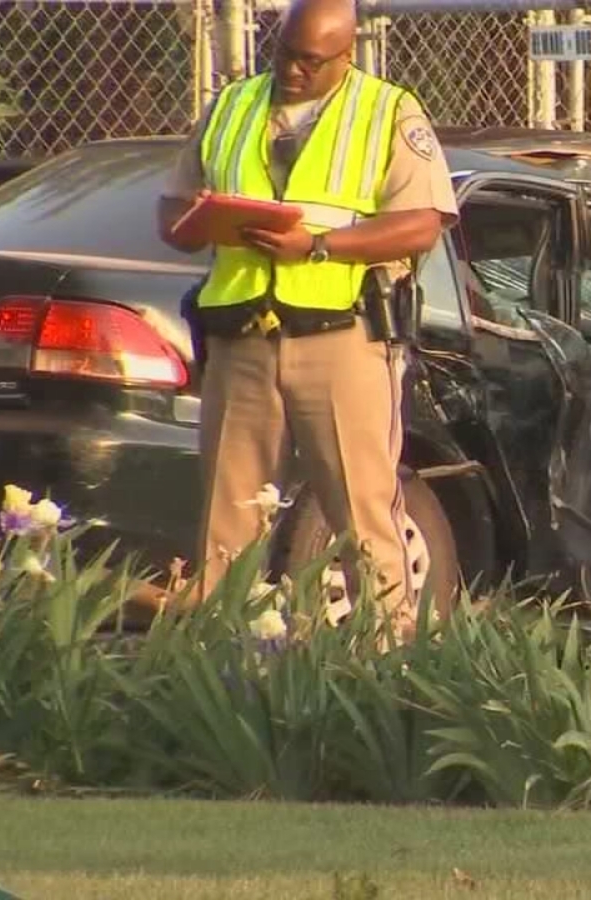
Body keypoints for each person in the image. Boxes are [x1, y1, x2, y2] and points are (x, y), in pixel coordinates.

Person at [156, 0, 458, 642]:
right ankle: (218, 671)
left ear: (347, 55)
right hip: (242, 338)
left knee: (362, 513)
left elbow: (423, 222)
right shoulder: (233, 104)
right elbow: (173, 208)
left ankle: (386, 666)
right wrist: (197, 224)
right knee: (226, 522)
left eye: (312, 61)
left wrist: (318, 247)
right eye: (286, 53)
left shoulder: (386, 110)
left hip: (340, 337)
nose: (294, 70)